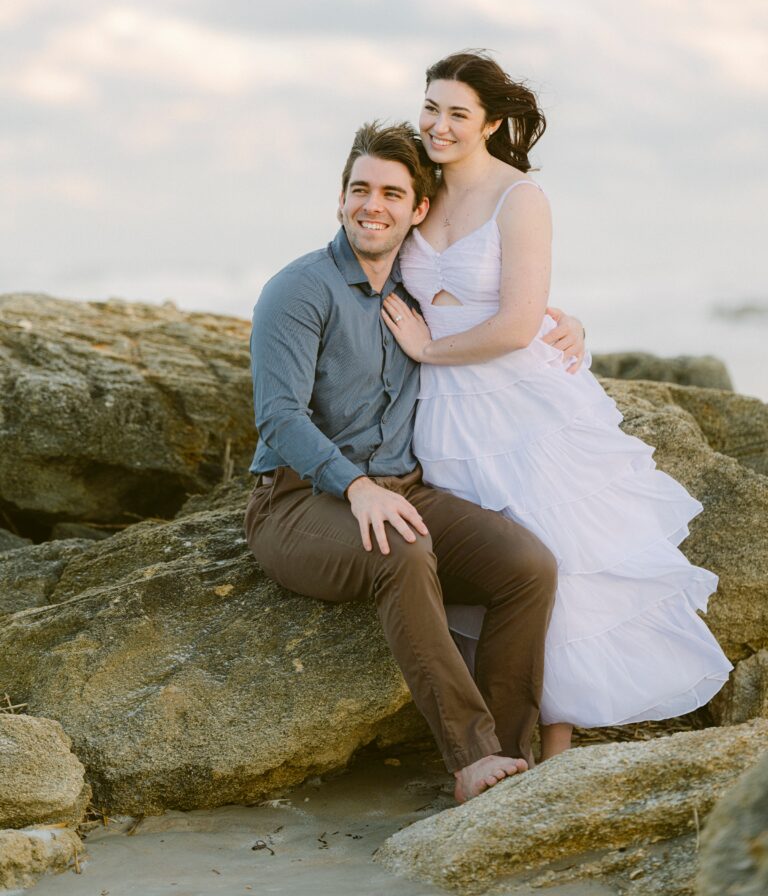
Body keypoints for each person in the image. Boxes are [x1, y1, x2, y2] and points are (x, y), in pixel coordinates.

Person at [382, 50, 733, 760]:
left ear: (491, 123)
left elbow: (516, 325)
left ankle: (558, 742)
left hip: (519, 405)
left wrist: (430, 351)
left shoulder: (521, 198)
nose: (438, 125)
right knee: (485, 565)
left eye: (457, 113)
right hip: (441, 412)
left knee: (558, 559)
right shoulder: (418, 188)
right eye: (431, 108)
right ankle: (491, 738)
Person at [244, 121, 587, 801]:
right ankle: (471, 757)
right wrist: (356, 487)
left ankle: (511, 757)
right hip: (296, 502)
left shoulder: (413, 285)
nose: (373, 205)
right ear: (340, 198)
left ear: (417, 209)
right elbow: (278, 416)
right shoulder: (298, 289)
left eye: (391, 194)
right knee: (400, 552)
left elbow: (503, 309)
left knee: (529, 566)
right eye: (360, 189)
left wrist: (568, 324)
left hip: (405, 489)